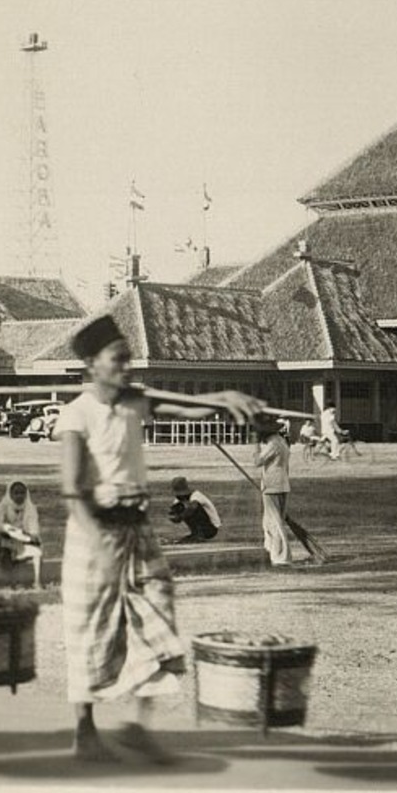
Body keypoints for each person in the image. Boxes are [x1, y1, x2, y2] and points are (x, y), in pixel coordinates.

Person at [56, 313, 262, 765]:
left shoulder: (134, 402)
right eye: (118, 359)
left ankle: (135, 727)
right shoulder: (76, 415)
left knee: (157, 623)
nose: (127, 367)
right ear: (92, 363)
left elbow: (186, 407)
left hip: (138, 530)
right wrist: (100, 547)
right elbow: (73, 493)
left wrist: (224, 398)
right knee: (92, 631)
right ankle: (84, 730)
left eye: (129, 358)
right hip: (94, 534)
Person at [0, 480, 43, 589]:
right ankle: (11, 582)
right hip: (5, 541)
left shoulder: (30, 508)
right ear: (10, 494)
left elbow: (33, 530)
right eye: (16, 493)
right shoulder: (3, 506)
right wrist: (8, 529)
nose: (19, 496)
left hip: (21, 540)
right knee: (4, 547)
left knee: (38, 551)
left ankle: (37, 581)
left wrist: (26, 536)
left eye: (22, 493)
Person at [255, 419, 293, 565]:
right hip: (282, 483)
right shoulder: (282, 442)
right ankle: (270, 551)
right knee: (269, 522)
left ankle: (281, 557)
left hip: (272, 485)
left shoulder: (273, 444)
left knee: (274, 522)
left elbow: (257, 461)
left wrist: (256, 448)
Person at [166, 475, 221, 543]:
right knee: (180, 507)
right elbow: (172, 513)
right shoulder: (178, 500)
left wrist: (181, 516)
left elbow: (192, 508)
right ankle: (195, 533)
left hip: (211, 528)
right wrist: (175, 516)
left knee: (192, 508)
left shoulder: (196, 495)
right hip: (197, 529)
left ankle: (200, 534)